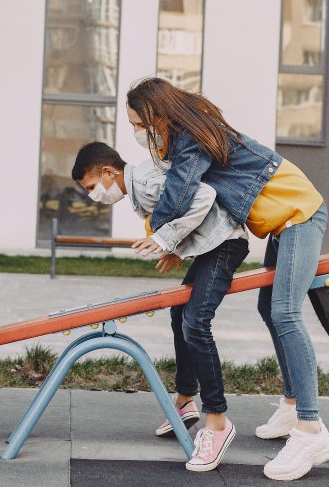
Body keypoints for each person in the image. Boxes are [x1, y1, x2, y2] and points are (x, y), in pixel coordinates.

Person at [126, 77, 329, 481]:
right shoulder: (194, 131)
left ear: (158, 116)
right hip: (283, 223)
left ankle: (312, 429)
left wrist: (158, 230)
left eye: (140, 124)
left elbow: (182, 189)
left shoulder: (192, 137)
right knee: (269, 308)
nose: (139, 133)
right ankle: (293, 404)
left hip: (301, 213)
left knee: (286, 312)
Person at [72, 141, 249, 472]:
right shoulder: (141, 182)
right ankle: (184, 401)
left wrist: (164, 239)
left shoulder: (144, 183)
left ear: (109, 172)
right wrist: (177, 248)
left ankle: (218, 421)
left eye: (93, 187)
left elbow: (204, 198)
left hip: (226, 244)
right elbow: (187, 209)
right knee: (180, 312)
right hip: (213, 244)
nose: (94, 196)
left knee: (196, 322)